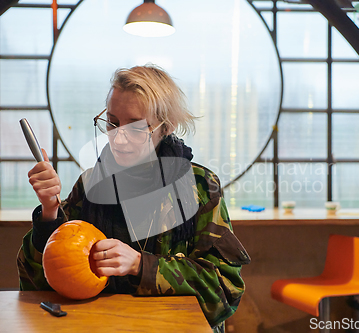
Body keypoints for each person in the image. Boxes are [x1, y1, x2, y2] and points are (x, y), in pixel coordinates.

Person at [17, 64, 250, 332]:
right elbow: (41, 284)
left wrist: (141, 265)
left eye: (137, 128)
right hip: (101, 325)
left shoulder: (198, 188)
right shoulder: (91, 184)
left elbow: (224, 291)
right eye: (113, 123)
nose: (119, 138)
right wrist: (49, 212)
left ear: (166, 127)